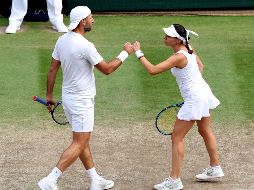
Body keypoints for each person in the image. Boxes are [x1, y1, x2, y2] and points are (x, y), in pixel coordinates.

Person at [37, 6, 133, 190]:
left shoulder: (61, 40)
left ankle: (95, 179)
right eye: (91, 17)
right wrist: (125, 52)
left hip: (69, 99)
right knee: (80, 142)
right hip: (81, 102)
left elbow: (52, 69)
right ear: (83, 21)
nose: (93, 20)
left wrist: (49, 95)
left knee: (81, 140)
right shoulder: (85, 46)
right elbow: (107, 69)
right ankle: (51, 179)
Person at [133, 24, 224, 190]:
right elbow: (200, 67)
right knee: (205, 131)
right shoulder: (189, 48)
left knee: (177, 137)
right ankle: (215, 168)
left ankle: (174, 180)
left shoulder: (179, 57)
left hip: (196, 98)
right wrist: (193, 89)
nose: (165, 38)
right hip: (203, 93)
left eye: (168, 35)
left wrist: (138, 52)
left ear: (177, 40)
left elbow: (153, 70)